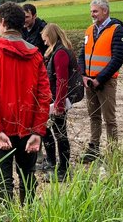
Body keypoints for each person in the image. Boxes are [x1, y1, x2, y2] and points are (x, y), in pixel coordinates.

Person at [0, 2, 51, 205]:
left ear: (2, 22)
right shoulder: (36, 55)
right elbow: (44, 96)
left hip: (0, 128)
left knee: (3, 179)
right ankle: (27, 213)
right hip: (28, 128)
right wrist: (37, 131)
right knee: (27, 176)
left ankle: (5, 216)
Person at [78, 0, 123, 163]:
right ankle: (93, 150)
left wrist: (100, 79)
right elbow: (82, 55)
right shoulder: (89, 30)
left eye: (95, 11)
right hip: (89, 81)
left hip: (106, 82)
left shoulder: (116, 30)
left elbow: (117, 59)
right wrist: (83, 75)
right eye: (91, 11)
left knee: (109, 119)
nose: (92, 14)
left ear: (105, 11)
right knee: (94, 116)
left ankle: (113, 154)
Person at [41, 23, 74, 182]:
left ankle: (63, 169)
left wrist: (59, 105)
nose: (45, 42)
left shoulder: (60, 53)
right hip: (54, 100)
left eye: (45, 39)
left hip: (57, 102)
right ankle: (53, 162)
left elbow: (62, 80)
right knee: (50, 131)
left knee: (60, 134)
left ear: (51, 36)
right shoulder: (57, 51)